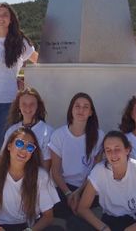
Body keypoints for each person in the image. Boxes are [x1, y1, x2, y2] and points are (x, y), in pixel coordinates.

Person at [0, 2, 38, 177]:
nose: (1, 18)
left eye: (5, 14)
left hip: (8, 103)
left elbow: (37, 59)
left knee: (0, 150)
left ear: (11, 19)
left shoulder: (20, 42)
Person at [77, 131, 136, 231]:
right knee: (74, 223)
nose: (113, 154)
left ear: (127, 150)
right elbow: (82, 208)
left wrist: (130, 229)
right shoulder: (99, 171)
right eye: (108, 150)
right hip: (110, 222)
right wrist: (103, 228)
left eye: (117, 149)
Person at [49, 92, 104, 220]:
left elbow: (96, 171)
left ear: (91, 112)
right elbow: (55, 171)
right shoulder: (58, 135)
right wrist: (69, 194)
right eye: (77, 106)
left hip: (88, 187)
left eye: (86, 107)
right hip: (64, 187)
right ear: (71, 110)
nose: (81, 110)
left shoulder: (99, 136)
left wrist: (79, 192)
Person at [1, 87, 54, 170]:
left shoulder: (48, 132)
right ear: (19, 106)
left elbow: (45, 167)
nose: (28, 108)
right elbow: (3, 159)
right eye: (24, 104)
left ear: (38, 106)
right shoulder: (11, 130)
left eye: (32, 104)